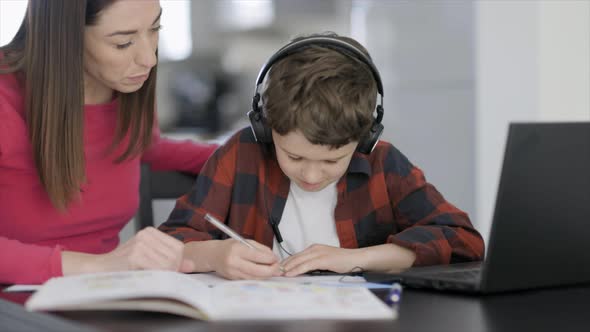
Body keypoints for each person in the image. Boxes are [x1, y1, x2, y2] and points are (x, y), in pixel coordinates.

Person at [159, 32, 485, 280]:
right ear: (265, 127)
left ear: (365, 138)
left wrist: (359, 258)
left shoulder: (382, 163)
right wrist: (214, 255)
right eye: (294, 157)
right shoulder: (241, 153)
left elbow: (463, 240)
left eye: (332, 161)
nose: (311, 176)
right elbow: (170, 242)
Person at [0, 0, 217, 284]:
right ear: (65, 36)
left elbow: (145, 146)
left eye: (155, 28)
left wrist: (258, 149)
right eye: (123, 43)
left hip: (105, 296)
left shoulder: (123, 84)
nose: (148, 58)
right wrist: (99, 265)